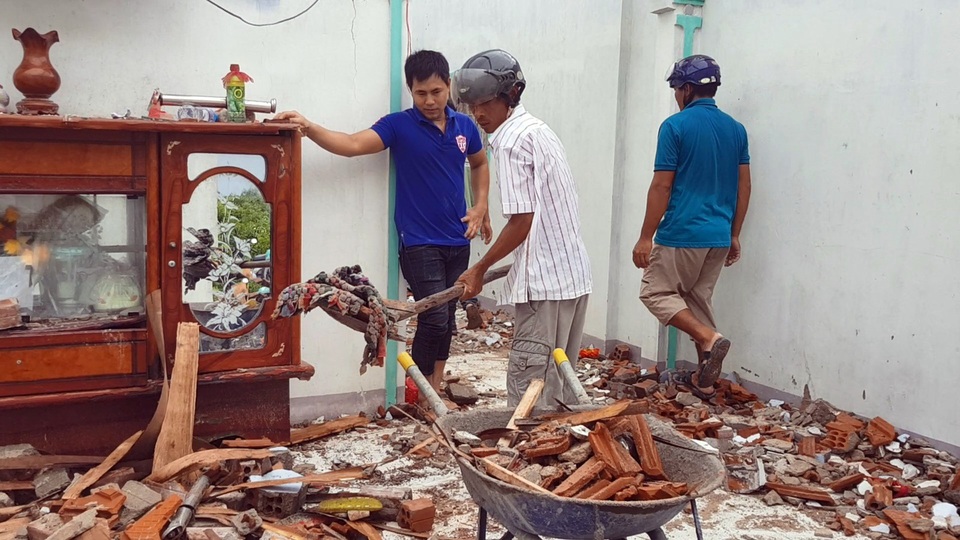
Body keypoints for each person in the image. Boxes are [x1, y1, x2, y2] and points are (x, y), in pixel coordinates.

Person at [274, 50, 492, 395]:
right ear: (411, 90)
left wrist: (481, 206)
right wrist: (309, 127)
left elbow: (479, 164)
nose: (430, 101)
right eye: (421, 94)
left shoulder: (465, 126)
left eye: (436, 92)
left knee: (447, 319)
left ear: (448, 86)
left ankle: (432, 392)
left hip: (458, 239)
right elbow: (352, 144)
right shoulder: (399, 125)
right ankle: (420, 394)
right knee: (433, 319)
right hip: (420, 241)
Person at [453, 49, 592, 408]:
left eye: (485, 104)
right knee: (559, 390)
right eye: (472, 106)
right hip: (571, 279)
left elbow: (522, 221)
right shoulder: (538, 130)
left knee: (531, 396)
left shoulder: (512, 142)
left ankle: (529, 462)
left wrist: (479, 269)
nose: (478, 114)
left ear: (510, 95)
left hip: (544, 286)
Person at [632, 54, 752, 394]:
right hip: (718, 236)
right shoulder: (736, 129)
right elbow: (744, 185)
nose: (675, 96)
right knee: (698, 298)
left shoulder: (675, 126)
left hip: (682, 232)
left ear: (685, 89)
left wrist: (645, 236)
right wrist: (735, 234)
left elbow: (662, 185)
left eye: (676, 89)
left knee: (655, 291)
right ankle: (705, 380)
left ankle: (708, 338)